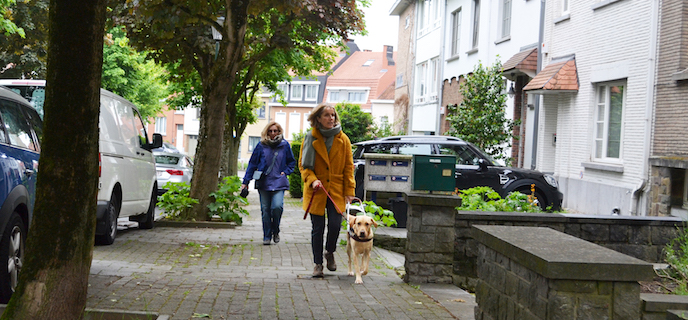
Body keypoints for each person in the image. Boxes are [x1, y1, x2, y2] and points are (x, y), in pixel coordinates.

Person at [299, 104, 355, 277]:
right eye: (326, 115)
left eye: (333, 115)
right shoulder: (310, 138)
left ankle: (329, 252)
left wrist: (350, 190)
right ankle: (318, 264)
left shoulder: (343, 139)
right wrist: (313, 180)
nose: (331, 118)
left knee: (335, 225)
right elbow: (304, 166)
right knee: (318, 228)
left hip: (337, 189)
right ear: (318, 118)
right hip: (317, 189)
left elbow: (348, 166)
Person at [242, 122, 296, 245]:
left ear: (279, 132)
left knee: (277, 207)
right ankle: (267, 236)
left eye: (275, 131)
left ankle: (275, 230)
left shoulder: (285, 145)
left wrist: (285, 172)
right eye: (270, 131)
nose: (273, 133)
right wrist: (245, 182)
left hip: (279, 181)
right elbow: (252, 164)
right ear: (266, 133)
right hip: (264, 182)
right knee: (265, 210)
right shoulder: (261, 146)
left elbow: (291, 162)